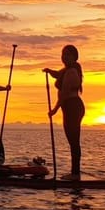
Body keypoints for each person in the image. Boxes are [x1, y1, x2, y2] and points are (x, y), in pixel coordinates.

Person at [44, 44, 84, 181]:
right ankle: (75, 172)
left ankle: (75, 174)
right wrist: (49, 71)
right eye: (63, 54)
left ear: (74, 57)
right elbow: (57, 75)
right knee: (72, 141)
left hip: (72, 106)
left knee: (74, 141)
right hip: (69, 107)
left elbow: (65, 93)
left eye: (67, 54)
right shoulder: (66, 70)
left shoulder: (72, 72)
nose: (64, 57)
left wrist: (54, 110)